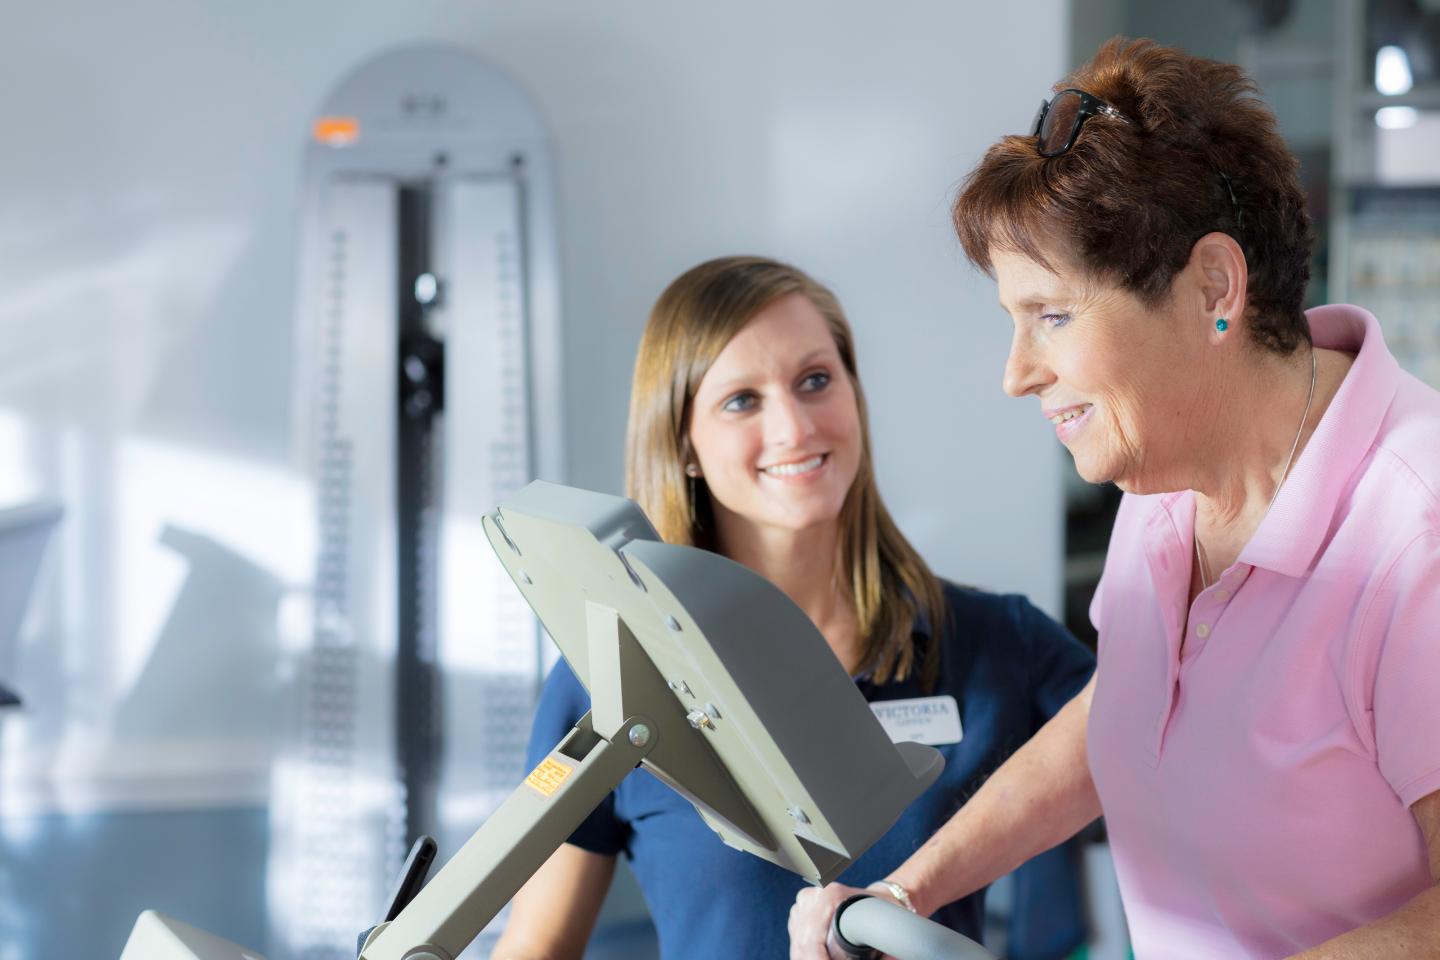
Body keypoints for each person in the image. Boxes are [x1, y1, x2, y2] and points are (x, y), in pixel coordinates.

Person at [790, 37, 1440, 960]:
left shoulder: (1417, 534)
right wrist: (908, 890)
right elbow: (1121, 710)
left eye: (1051, 315)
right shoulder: (1169, 467)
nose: (1016, 373)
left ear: (1213, 287)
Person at [490, 255, 1095, 959]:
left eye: (815, 381)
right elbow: (536, 949)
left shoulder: (997, 643)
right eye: (742, 400)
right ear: (684, 445)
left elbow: (1166, 757)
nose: (796, 427)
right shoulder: (609, 675)